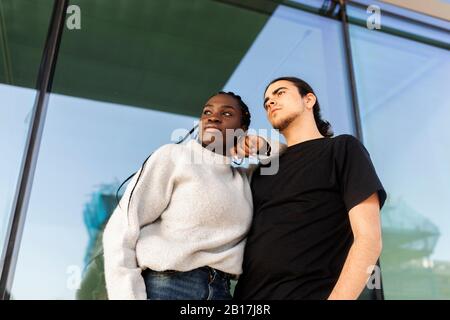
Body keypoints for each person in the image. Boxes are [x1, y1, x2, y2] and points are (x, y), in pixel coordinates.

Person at [102, 91, 276, 300]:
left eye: (227, 113)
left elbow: (279, 155)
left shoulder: (243, 179)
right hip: (167, 287)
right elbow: (121, 229)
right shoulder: (174, 157)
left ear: (242, 129)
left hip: (221, 291)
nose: (213, 116)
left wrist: (258, 144)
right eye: (207, 112)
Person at [234, 77, 387, 300]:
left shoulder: (342, 149)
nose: (270, 102)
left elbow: (369, 240)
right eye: (266, 100)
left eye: (280, 93)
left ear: (309, 100)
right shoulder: (262, 169)